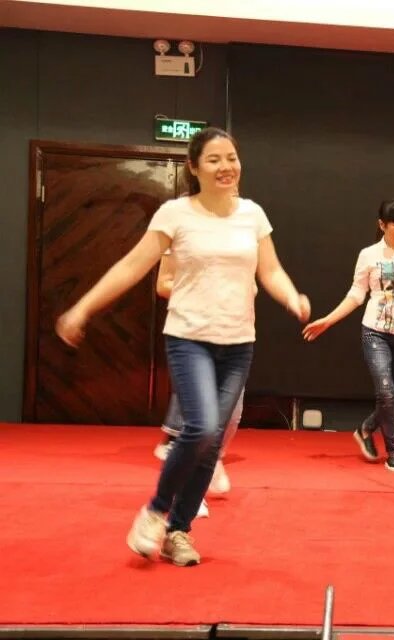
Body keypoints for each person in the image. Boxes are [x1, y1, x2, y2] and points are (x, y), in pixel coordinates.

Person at [56, 127, 310, 566]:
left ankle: (179, 532)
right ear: (194, 167)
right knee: (203, 427)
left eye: (231, 158)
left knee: (212, 445)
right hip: (189, 337)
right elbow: (132, 266)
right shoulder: (175, 214)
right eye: (213, 159)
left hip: (238, 343)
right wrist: (83, 308)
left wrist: (291, 296)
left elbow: (269, 270)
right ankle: (155, 512)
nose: (226, 167)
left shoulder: (252, 215)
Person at [302, 200, 394, 471]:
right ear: (382, 225)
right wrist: (328, 320)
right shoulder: (368, 255)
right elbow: (357, 294)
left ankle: (366, 428)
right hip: (376, 332)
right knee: (385, 392)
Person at [153, 253, 240, 516]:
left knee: (232, 416)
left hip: (233, 337)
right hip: (191, 335)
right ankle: (180, 497)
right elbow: (163, 284)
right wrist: (204, 293)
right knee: (201, 422)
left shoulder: (245, 234)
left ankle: (210, 462)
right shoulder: (180, 233)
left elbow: (258, 281)